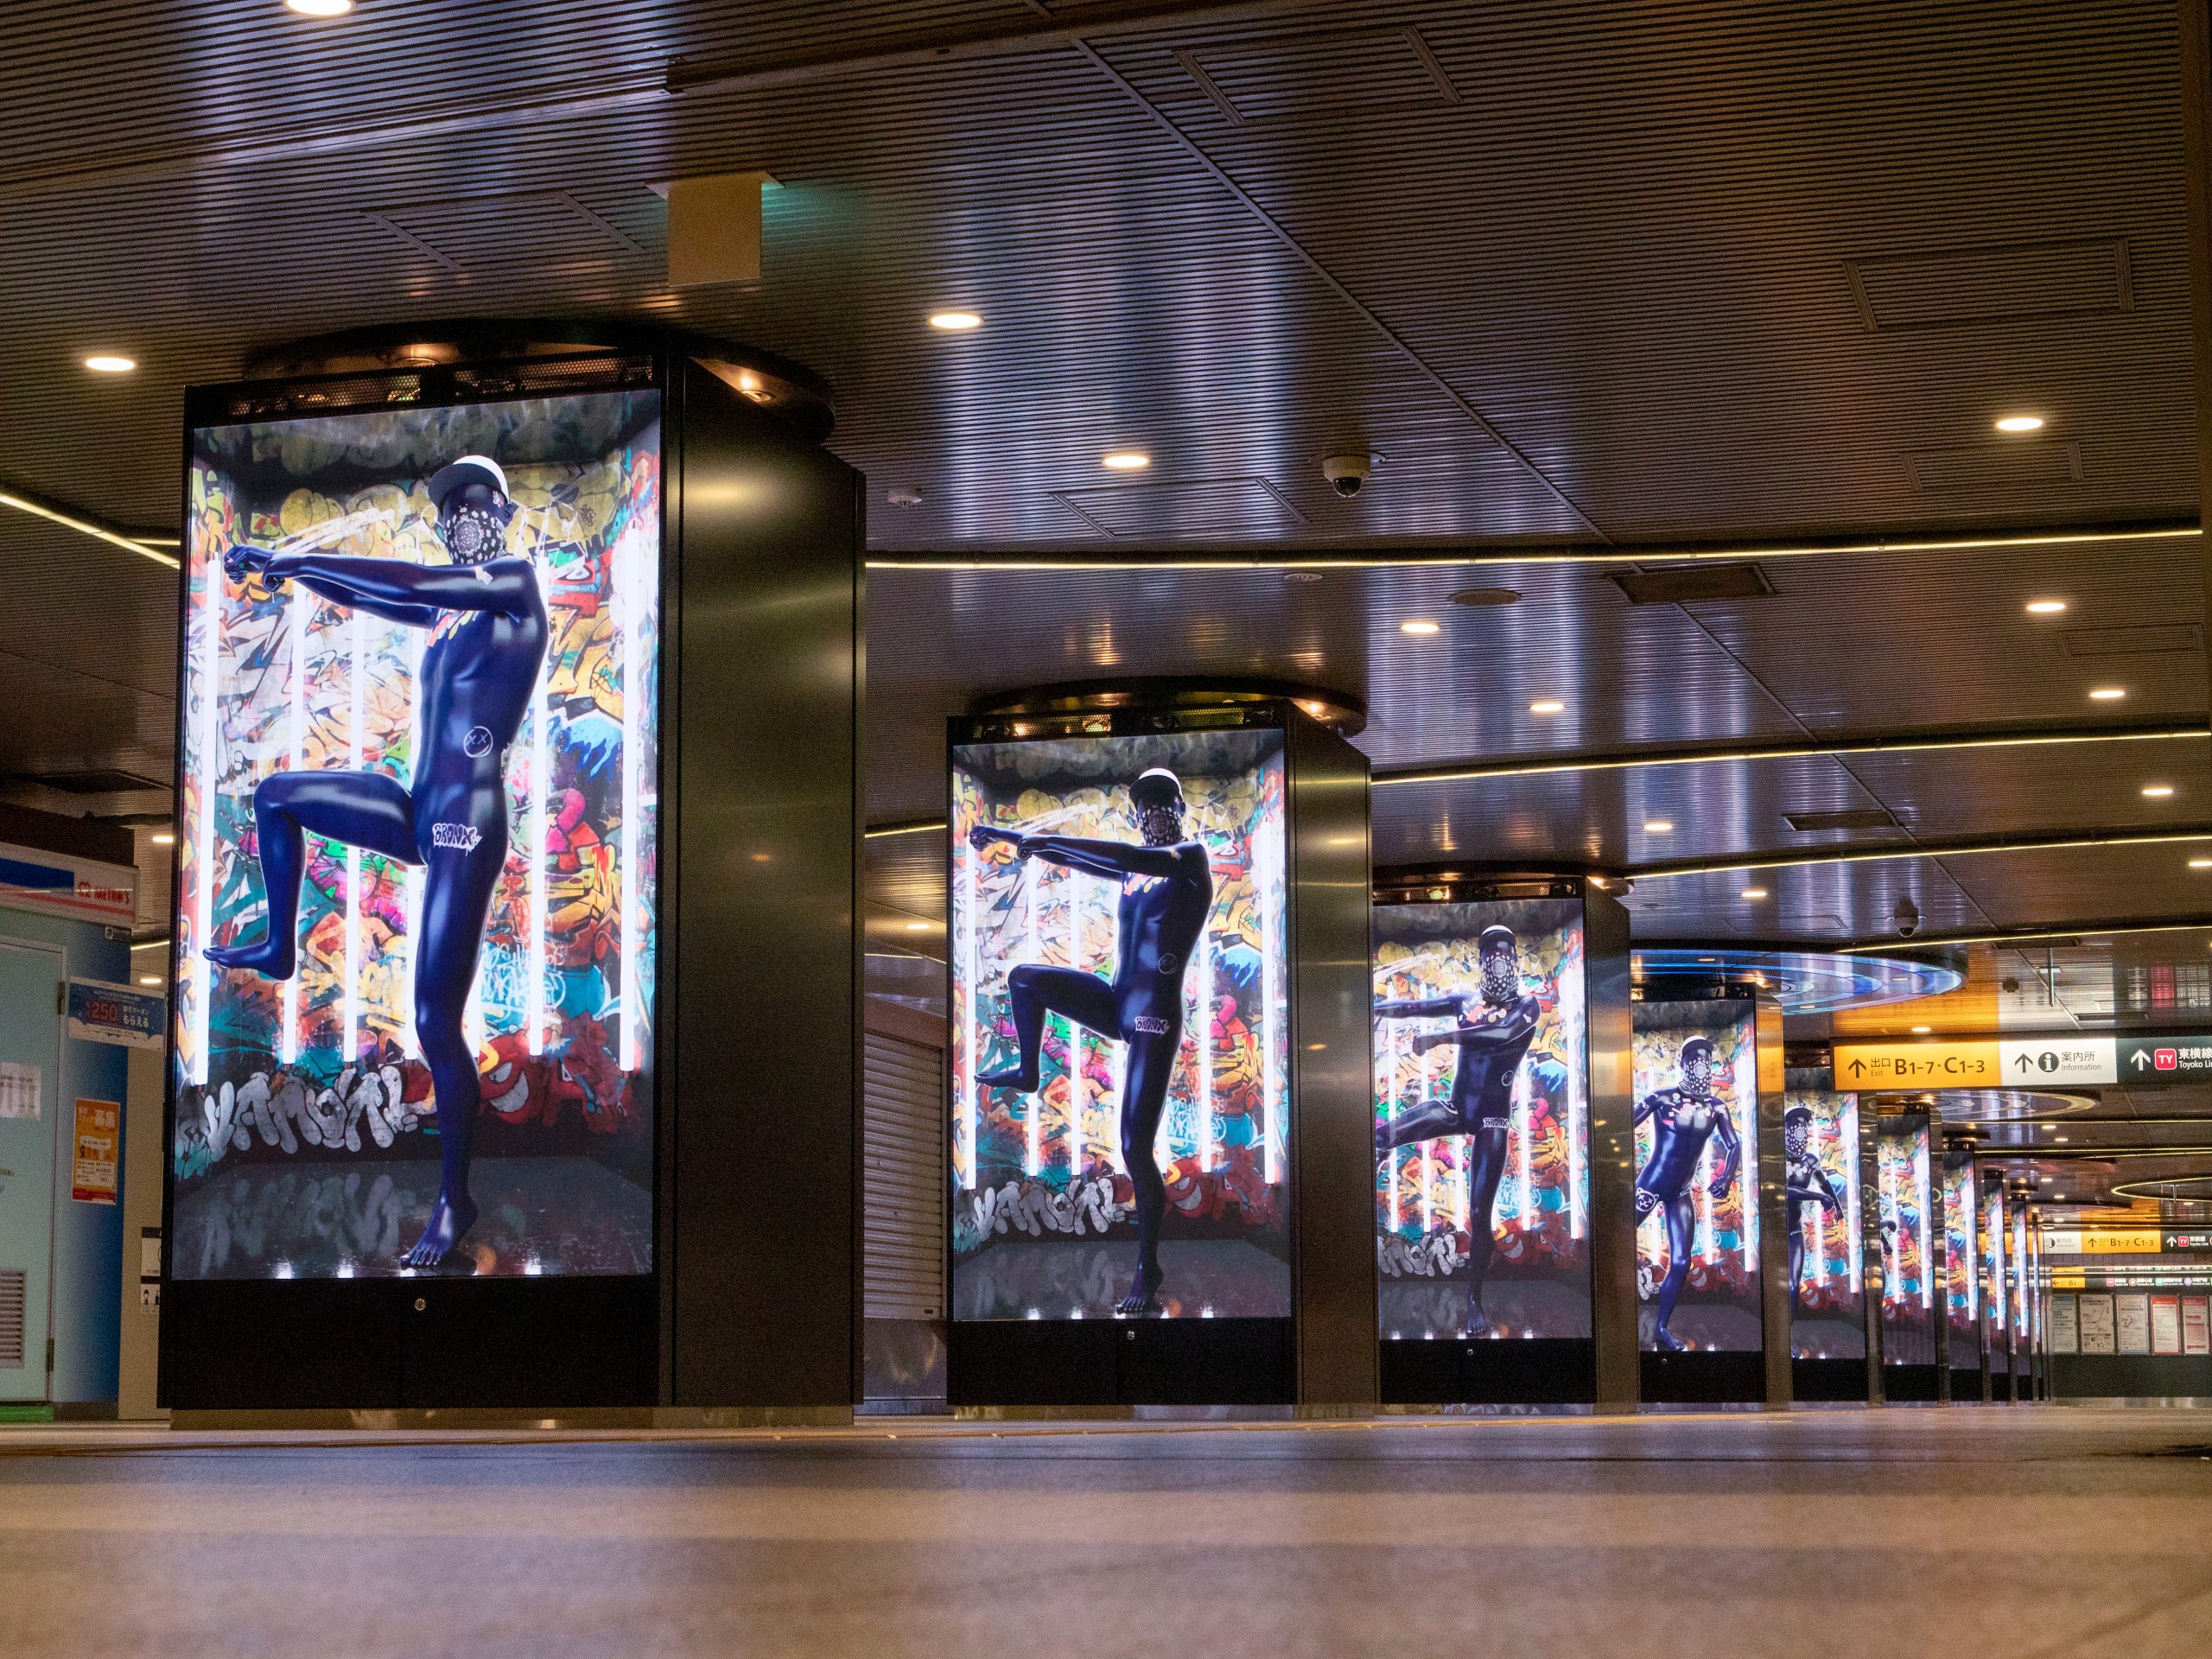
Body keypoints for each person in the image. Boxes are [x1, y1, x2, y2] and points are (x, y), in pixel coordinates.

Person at [207, 455, 548, 1269]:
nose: (460, 516)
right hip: (420, 807)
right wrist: (287, 568)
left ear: (499, 512)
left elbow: (411, 578)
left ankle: (452, 1198)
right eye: (449, 507)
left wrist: (291, 559)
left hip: (467, 819)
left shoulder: (514, 586)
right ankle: (279, 947)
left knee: (435, 1020)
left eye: (473, 503)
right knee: (279, 795)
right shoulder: (449, 619)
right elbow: (378, 591)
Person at [969, 766, 1211, 1314]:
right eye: (1143, 804)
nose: (1152, 812)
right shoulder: (1134, 874)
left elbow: (1114, 855)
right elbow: (1087, 859)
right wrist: (1011, 839)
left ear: (1177, 807)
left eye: (1161, 802)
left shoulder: (1188, 859)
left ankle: (1148, 1267)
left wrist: (1038, 840)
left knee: (1133, 1148)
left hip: (1154, 1016)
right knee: (1025, 979)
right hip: (1118, 1001)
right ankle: (1028, 1072)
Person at [1373, 924, 1541, 1337]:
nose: (1497, 964)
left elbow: (1500, 1034)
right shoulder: (1466, 1000)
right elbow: (1415, 1009)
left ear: (1514, 961)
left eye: (1504, 956)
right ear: (1481, 962)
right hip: (1456, 1108)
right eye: (1490, 957)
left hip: (1492, 1120)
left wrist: (1442, 1037)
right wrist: (1372, 1006)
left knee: (1480, 1212)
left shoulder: (1528, 1005)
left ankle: (1474, 1299)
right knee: (1381, 1135)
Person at [1633, 1034, 1742, 1351]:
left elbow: (1734, 1144)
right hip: (1650, 1185)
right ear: (1682, 1063)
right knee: (1613, 1246)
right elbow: (1618, 1125)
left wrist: (1726, 1177)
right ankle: (1607, 1318)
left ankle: (1661, 1328)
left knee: (1681, 1262)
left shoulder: (1716, 1107)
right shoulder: (1661, 1098)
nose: (1702, 1065)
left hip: (1680, 1192)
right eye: (1695, 1059)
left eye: (1707, 1059)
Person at [1783, 1103, 1844, 1320]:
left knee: (1792, 1285)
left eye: (1804, 1127)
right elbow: (1786, 1191)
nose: (1800, 1131)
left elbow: (1825, 1184)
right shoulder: (1776, 1159)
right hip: (1772, 1232)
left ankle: (1786, 1338)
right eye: (1795, 1126)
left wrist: (1837, 1206)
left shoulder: (1810, 1161)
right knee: (1773, 1286)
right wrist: (1820, 1198)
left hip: (1794, 1232)